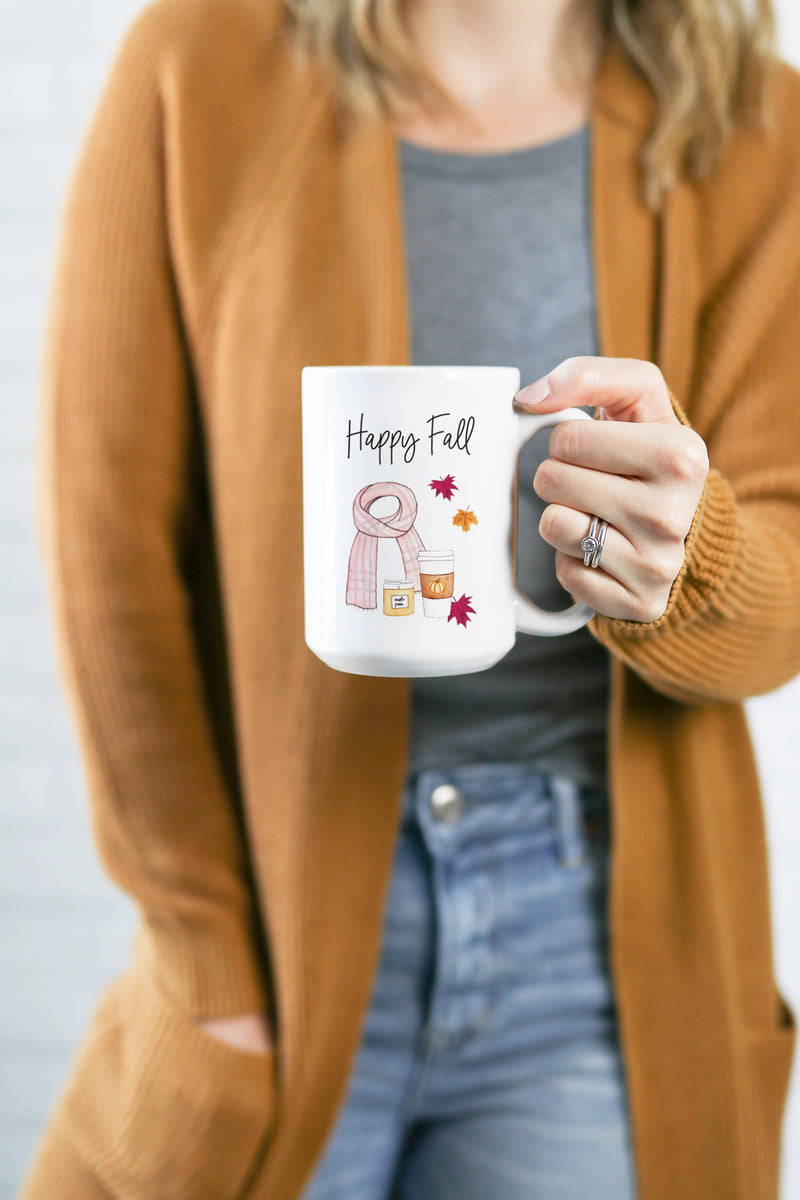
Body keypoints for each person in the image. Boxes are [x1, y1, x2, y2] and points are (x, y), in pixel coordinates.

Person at [18, 0, 800, 1196]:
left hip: (599, 956)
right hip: (281, 929)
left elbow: (779, 612)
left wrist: (685, 564)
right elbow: (109, 551)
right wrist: (208, 963)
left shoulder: (757, 131)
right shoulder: (198, 63)